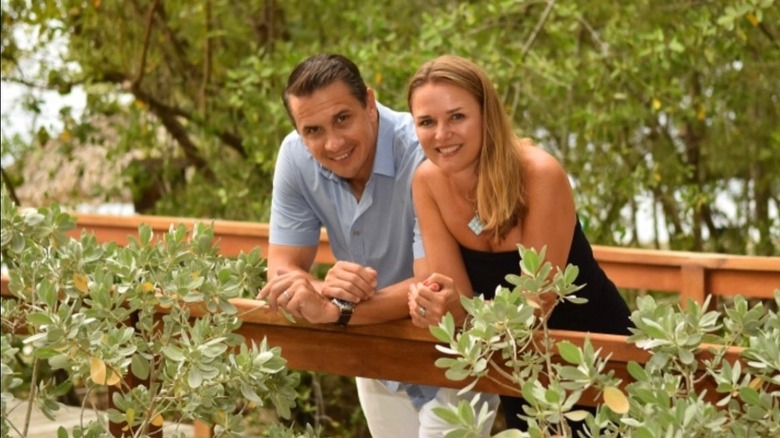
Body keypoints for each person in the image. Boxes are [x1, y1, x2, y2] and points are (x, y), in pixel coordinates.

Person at [256, 54, 498, 437]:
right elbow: (284, 271)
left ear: (369, 103)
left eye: (342, 119)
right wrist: (325, 293)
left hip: (452, 351)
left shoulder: (424, 151)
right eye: (313, 130)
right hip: (376, 352)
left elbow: (437, 283)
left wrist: (336, 309)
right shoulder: (295, 157)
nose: (333, 142)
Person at [405, 54, 633, 431]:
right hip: (519, 369)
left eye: (457, 117)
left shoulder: (540, 173)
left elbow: (536, 303)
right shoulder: (426, 182)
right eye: (427, 122)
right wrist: (432, 304)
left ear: (486, 114)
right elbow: (455, 299)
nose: (441, 135)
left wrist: (461, 311)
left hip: (601, 357)